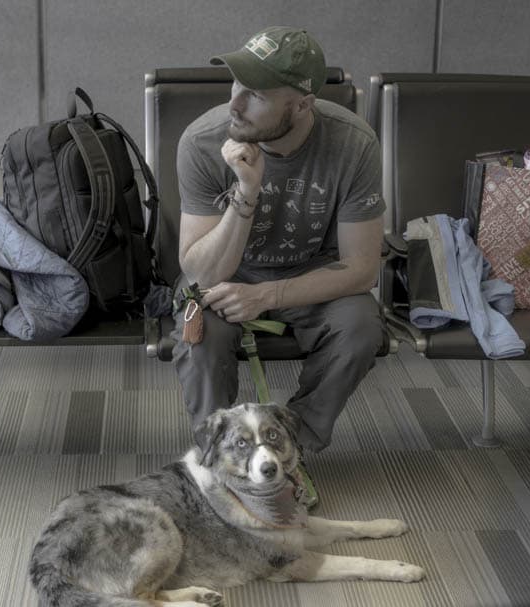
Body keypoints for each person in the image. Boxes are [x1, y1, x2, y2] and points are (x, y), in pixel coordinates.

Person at [172, 26, 385, 508]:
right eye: (235, 85)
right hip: (230, 277)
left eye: (257, 95)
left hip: (316, 277)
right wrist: (246, 193)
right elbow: (200, 273)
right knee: (198, 327)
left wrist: (268, 296)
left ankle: (291, 449)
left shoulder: (353, 144)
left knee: (361, 328)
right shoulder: (204, 142)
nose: (236, 104)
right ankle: (221, 464)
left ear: (303, 104)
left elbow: (360, 268)